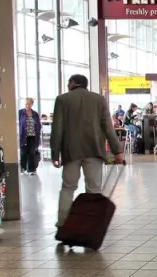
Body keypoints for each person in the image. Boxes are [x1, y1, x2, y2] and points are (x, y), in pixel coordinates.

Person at [51, 75, 123, 228]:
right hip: (94, 149)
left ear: (72, 83)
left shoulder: (62, 99)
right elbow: (108, 127)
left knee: (68, 188)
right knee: (94, 189)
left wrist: (55, 153)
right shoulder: (99, 99)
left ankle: (63, 223)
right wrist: (117, 151)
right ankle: (91, 224)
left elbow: (57, 128)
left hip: (71, 151)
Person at [18, 98, 42, 175]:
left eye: (29, 104)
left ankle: (31, 169)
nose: (27, 105)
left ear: (32, 104)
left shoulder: (35, 114)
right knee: (23, 152)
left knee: (32, 152)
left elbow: (38, 125)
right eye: (26, 104)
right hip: (23, 136)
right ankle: (23, 168)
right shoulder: (20, 112)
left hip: (33, 136)